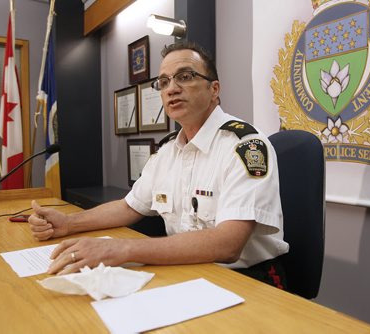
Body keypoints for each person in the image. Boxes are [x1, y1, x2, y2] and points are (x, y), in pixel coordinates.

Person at [28, 41, 289, 288]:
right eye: (164, 82)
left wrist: (120, 249)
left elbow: (227, 244)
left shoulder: (245, 145)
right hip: (187, 271)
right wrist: (67, 223)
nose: (172, 88)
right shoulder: (166, 152)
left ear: (214, 90)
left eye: (185, 77)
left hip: (249, 280)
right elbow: (129, 206)